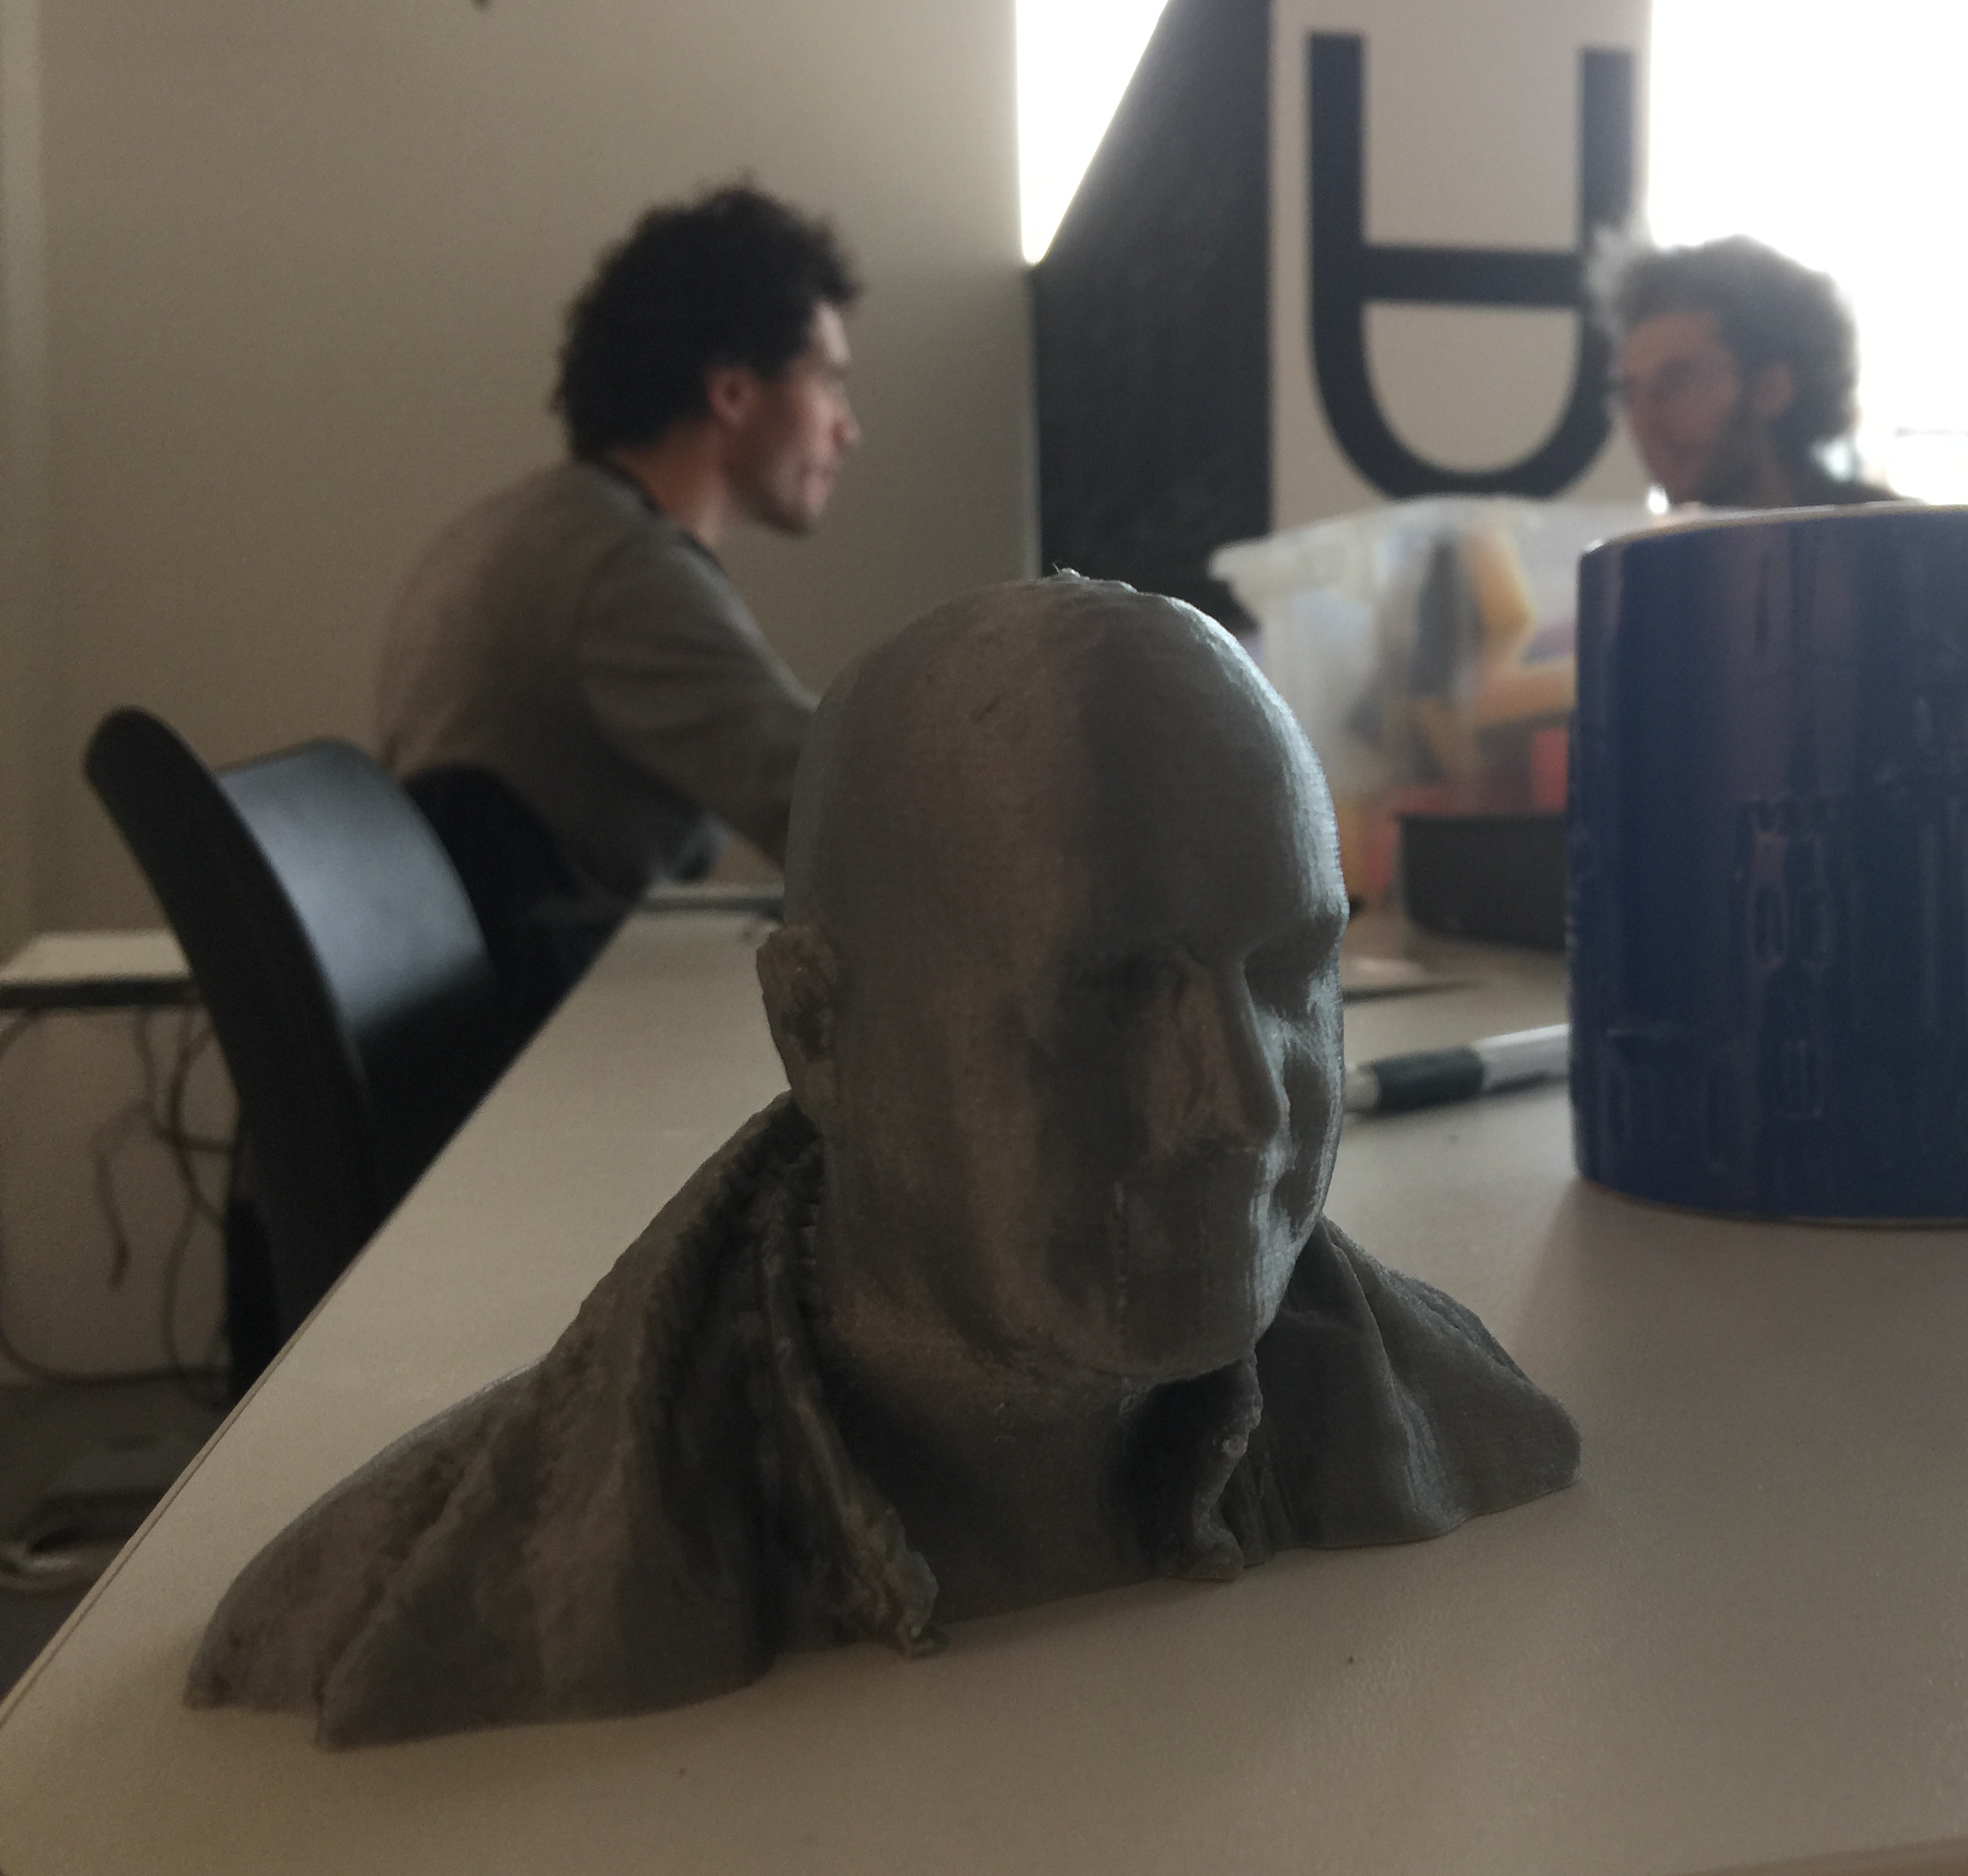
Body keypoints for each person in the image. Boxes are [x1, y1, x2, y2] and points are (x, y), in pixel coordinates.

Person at [189, 578, 1581, 1748]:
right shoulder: (424, 1593)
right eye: (1111, 992)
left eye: (1289, 971)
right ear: (816, 1029)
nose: (1240, 1104)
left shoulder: (1441, 1418)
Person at [379, 184, 861, 1030]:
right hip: (533, 1045)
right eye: (826, 380)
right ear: (733, 392)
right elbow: (825, 804)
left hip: (498, 1027)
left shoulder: (541, 525)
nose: (846, 429)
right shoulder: (617, 568)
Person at [1592, 233, 1896, 511]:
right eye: (1630, 395)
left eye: (1680, 384)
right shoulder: (1656, 550)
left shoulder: (1892, 535)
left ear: (1771, 388)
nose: (1646, 423)